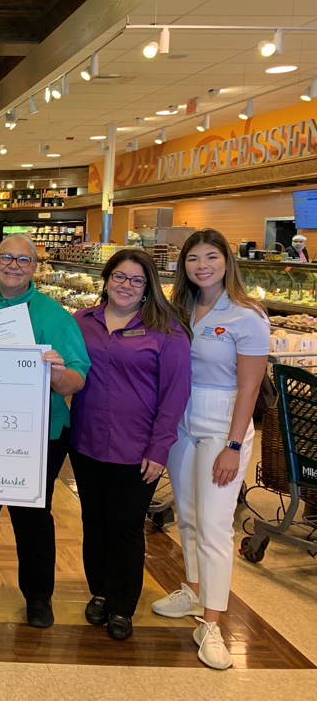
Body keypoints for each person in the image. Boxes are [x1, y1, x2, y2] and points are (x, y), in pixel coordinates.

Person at [0, 234, 89, 628]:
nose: (13, 265)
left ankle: (38, 596)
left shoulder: (55, 316)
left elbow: (78, 377)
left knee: (32, 516)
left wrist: (58, 375)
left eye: (23, 260)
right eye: (6, 257)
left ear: (35, 267)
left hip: (38, 433)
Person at [153, 229, 269, 670]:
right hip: (182, 417)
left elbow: (250, 387)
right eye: (193, 258)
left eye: (211, 257)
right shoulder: (179, 309)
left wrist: (233, 446)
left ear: (227, 262)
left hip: (224, 422)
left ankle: (214, 623)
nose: (202, 266)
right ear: (183, 265)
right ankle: (194, 590)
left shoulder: (247, 315)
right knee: (188, 515)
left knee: (216, 525)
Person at [69, 249, 191, 641]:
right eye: (119, 277)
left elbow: (175, 394)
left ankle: (122, 605)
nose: (126, 285)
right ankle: (100, 592)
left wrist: (160, 447)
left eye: (137, 280)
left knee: (124, 526)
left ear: (148, 288)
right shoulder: (81, 321)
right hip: (86, 441)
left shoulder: (167, 331)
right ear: (106, 280)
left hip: (137, 449)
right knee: (94, 521)